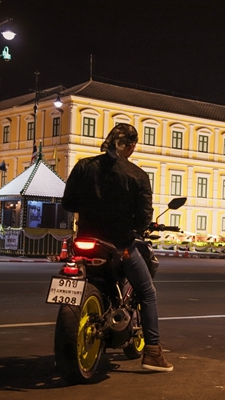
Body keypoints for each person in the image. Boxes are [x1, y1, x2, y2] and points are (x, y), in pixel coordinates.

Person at [62, 123, 173, 372]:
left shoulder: (83, 166)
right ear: (131, 146)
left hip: (85, 241)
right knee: (147, 292)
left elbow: (68, 203)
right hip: (119, 245)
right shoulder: (137, 175)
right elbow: (143, 219)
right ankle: (153, 352)